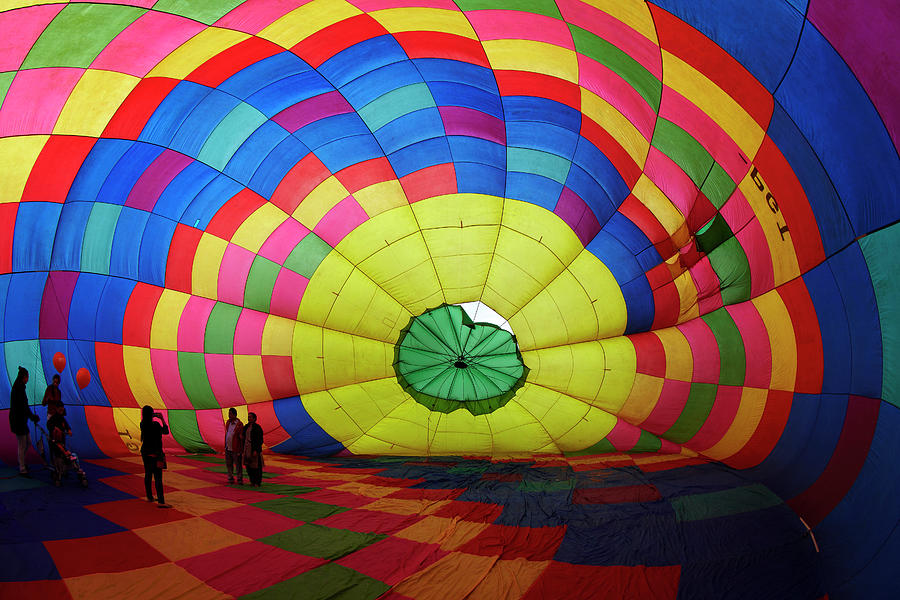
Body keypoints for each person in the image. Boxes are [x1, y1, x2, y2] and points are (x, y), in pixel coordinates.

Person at [9, 367, 39, 476]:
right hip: (18, 421)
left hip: (21, 420)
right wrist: (32, 416)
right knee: (22, 444)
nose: (28, 379)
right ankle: (22, 468)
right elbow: (23, 406)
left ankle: (22, 463)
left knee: (28, 442)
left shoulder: (20, 387)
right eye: (27, 377)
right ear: (23, 377)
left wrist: (31, 416)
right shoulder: (18, 388)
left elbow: (24, 406)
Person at [140, 405, 171, 508]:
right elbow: (166, 431)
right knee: (158, 477)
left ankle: (149, 497)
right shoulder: (156, 425)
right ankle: (161, 501)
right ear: (152, 413)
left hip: (145, 452)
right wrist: (162, 418)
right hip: (156, 453)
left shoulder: (142, 424)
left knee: (148, 474)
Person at [223, 408, 244, 485]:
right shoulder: (228, 423)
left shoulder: (239, 424)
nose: (229, 415)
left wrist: (240, 450)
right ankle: (230, 478)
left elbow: (241, 438)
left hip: (236, 449)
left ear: (235, 415)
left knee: (238, 464)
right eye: (229, 414)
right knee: (229, 464)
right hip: (228, 448)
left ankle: (239, 479)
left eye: (230, 414)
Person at [243, 412, 264, 487]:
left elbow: (260, 440)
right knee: (248, 466)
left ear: (254, 418)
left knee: (256, 467)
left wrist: (256, 450)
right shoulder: (246, 427)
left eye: (250, 417)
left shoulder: (257, 428)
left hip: (254, 448)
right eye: (248, 417)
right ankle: (252, 481)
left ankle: (257, 482)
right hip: (247, 448)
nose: (249, 418)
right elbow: (243, 437)